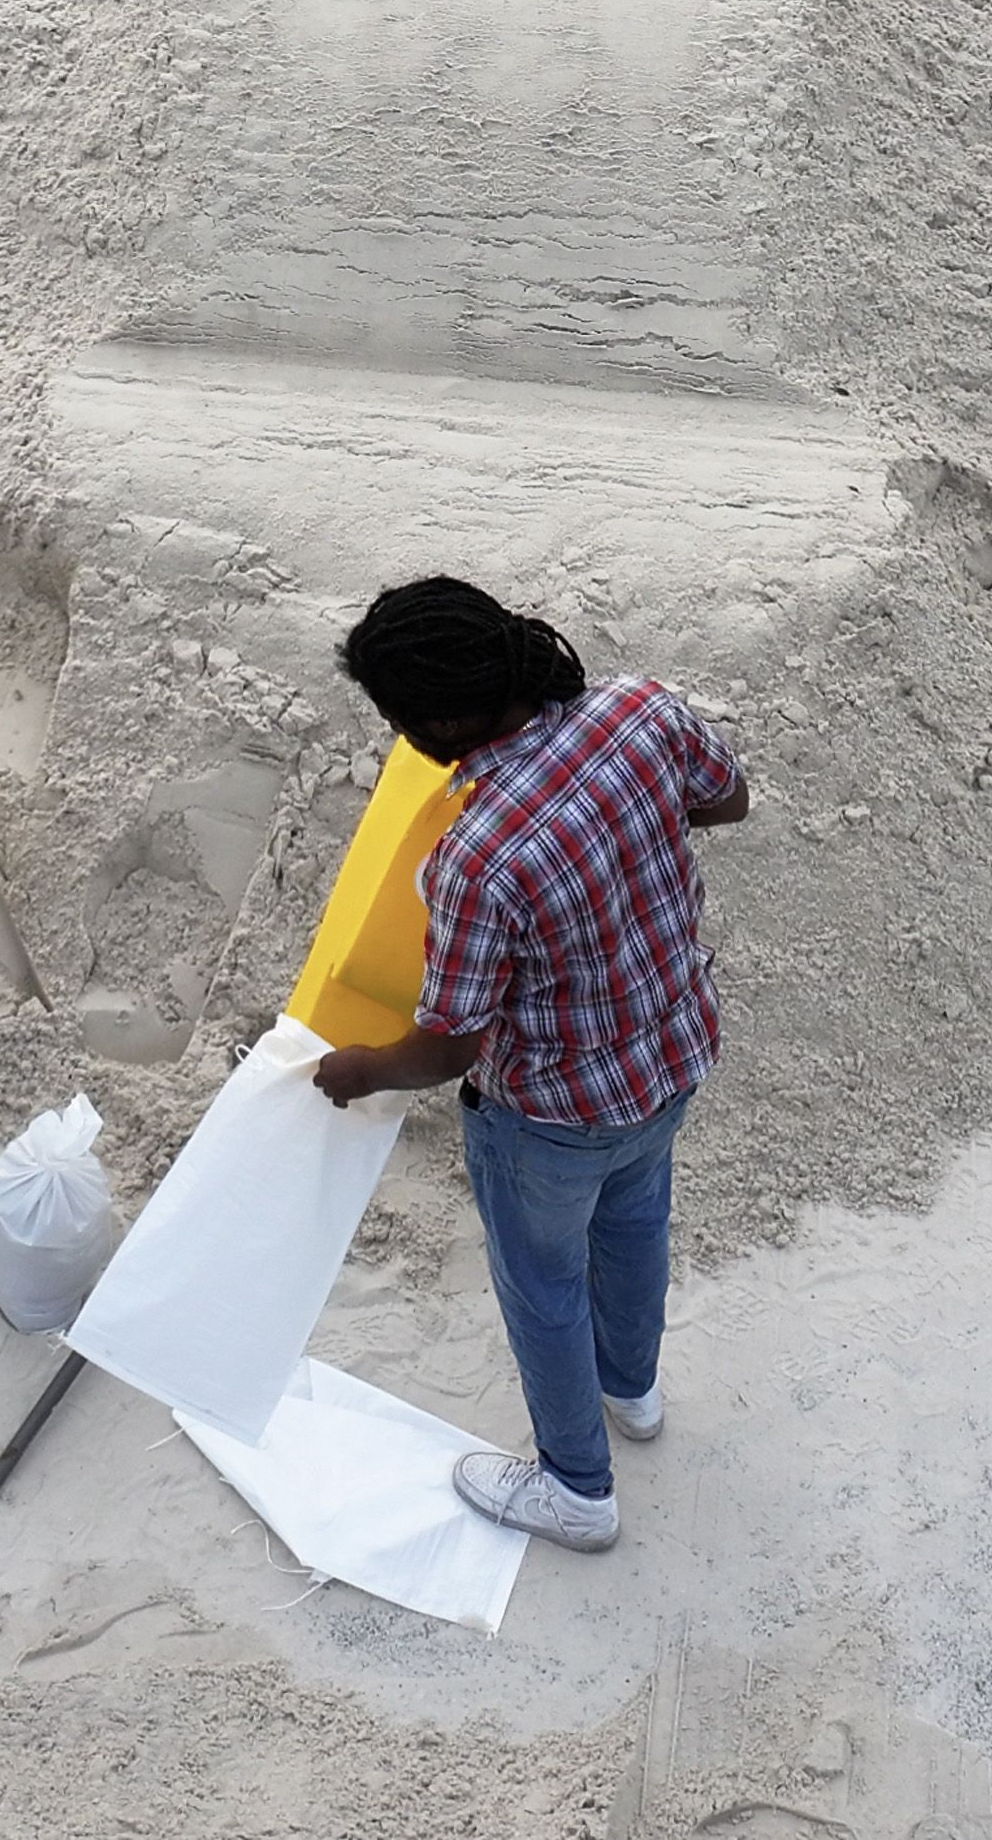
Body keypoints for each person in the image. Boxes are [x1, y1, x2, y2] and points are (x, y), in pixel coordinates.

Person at [302, 578, 747, 1557]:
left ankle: (577, 1489)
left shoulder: (478, 856)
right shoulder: (642, 712)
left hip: (547, 1115)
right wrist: (627, 852)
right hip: (668, 1058)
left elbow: (450, 1045)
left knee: (542, 1285)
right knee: (636, 1231)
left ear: (437, 720)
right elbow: (730, 798)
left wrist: (360, 1071)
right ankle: (631, 1393)